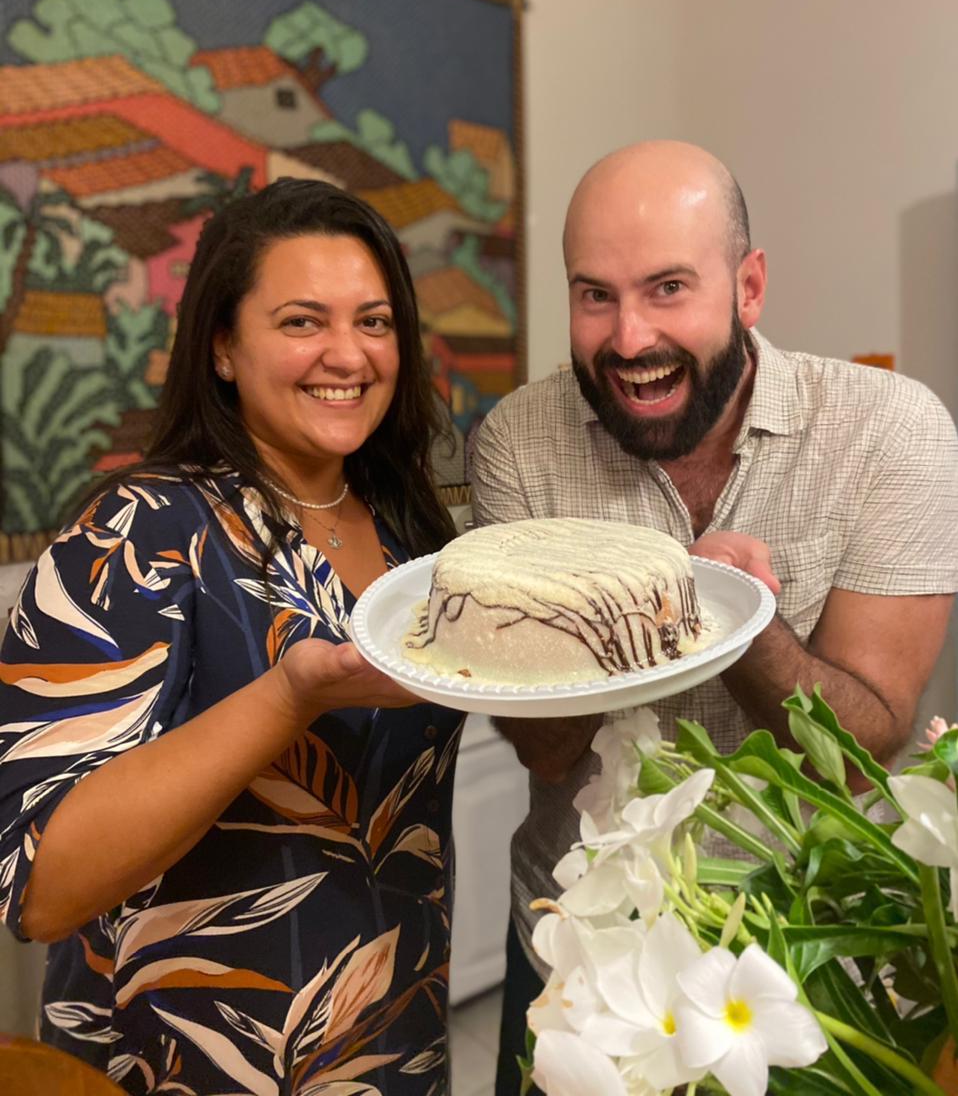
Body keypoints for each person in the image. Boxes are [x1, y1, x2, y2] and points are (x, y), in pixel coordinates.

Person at [470, 140, 958, 1096]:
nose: (628, 337)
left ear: (749, 287)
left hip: (815, 969)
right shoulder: (520, 443)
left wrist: (742, 624)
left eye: (667, 288)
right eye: (595, 295)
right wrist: (637, 605)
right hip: (579, 961)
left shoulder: (891, 430)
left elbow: (860, 752)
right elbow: (543, 748)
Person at [0, 178, 463, 1095]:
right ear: (221, 347)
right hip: (188, 1062)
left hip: (389, 1045)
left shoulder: (414, 536)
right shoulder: (137, 533)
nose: (348, 354)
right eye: (301, 322)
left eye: (374, 321)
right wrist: (290, 694)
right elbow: (42, 888)